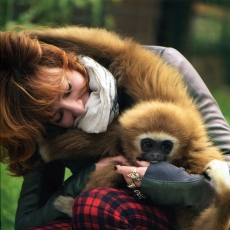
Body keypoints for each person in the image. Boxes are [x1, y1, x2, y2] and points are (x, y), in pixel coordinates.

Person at [1, 26, 230, 230]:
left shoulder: (161, 66)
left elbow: (225, 171)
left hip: (189, 213)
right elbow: (27, 222)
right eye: (60, 115)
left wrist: (165, 181)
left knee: (96, 206)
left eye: (68, 88)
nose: (78, 108)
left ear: (66, 59)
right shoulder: (46, 128)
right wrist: (87, 177)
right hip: (109, 207)